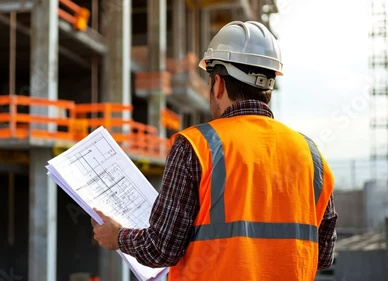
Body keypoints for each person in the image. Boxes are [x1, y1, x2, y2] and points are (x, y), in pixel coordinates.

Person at [91, 21, 337, 281]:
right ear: (269, 86)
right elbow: (324, 256)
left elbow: (161, 249)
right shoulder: (311, 156)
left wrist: (117, 236)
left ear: (218, 84)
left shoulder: (196, 145)